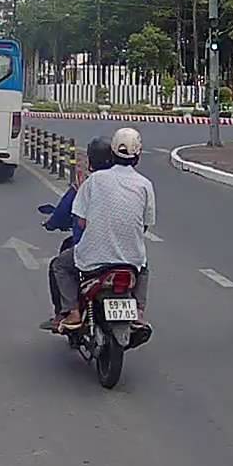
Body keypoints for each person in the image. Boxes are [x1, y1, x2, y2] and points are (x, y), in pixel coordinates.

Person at [50, 127, 155, 332]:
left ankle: (72, 312)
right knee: (143, 266)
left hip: (93, 258)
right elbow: (145, 224)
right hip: (131, 259)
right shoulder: (145, 185)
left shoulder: (93, 181)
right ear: (139, 154)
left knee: (60, 265)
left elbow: (80, 221)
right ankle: (139, 312)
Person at [39, 136, 115, 330]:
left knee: (59, 266)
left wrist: (52, 223)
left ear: (91, 160)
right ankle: (139, 313)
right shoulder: (132, 184)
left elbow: (70, 214)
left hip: (92, 251)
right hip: (124, 253)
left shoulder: (85, 184)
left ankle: (68, 312)